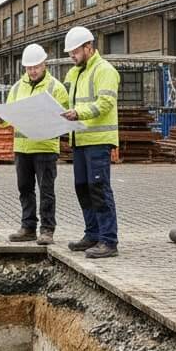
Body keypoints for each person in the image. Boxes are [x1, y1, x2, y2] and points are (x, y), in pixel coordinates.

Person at [60, 26, 120, 258]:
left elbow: (105, 103)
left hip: (98, 141)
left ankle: (108, 240)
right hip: (80, 140)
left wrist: (78, 113)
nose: (71, 56)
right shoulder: (75, 73)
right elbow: (65, 100)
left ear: (88, 47)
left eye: (74, 51)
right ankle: (92, 234)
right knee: (83, 188)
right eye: (70, 53)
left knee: (99, 189)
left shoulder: (105, 70)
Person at [5, 43, 70, 245]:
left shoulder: (56, 88)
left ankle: (47, 229)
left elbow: (65, 117)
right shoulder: (16, 88)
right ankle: (28, 227)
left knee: (46, 190)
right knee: (25, 188)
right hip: (22, 148)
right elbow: (7, 118)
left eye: (36, 67)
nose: (32, 71)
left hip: (45, 148)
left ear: (44, 64)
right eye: (29, 68)